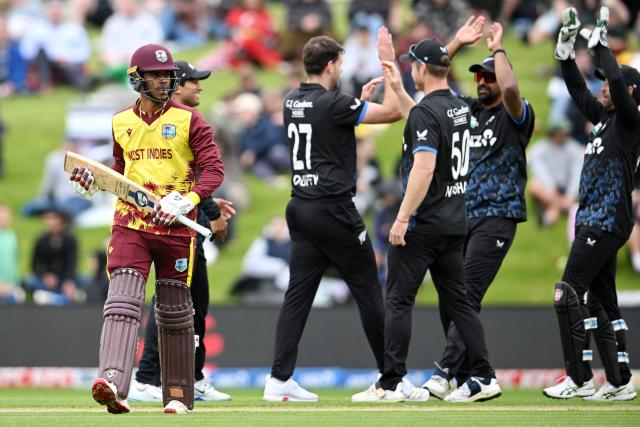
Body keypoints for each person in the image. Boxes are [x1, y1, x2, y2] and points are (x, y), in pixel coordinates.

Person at [69, 43, 224, 414]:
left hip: (175, 228)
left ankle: (177, 395)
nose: (164, 80)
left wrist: (188, 199)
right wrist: (94, 181)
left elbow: (214, 170)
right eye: (155, 75)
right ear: (137, 80)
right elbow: (120, 174)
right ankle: (112, 380)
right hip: (131, 223)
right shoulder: (120, 120)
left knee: (173, 311)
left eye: (167, 74)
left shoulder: (191, 120)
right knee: (122, 298)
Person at [262, 31, 415, 402]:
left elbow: (326, 127)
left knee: (297, 296)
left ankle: (279, 379)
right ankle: (391, 380)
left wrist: (354, 106)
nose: (341, 68)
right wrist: (389, 67)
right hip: (333, 208)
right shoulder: (334, 103)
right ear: (330, 65)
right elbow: (394, 113)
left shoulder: (291, 100)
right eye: (341, 63)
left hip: (300, 207)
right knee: (367, 289)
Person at [353, 31, 501, 403]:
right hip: (454, 222)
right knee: (459, 303)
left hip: (423, 225)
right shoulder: (457, 107)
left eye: (412, 67)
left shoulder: (426, 111)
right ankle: (484, 375)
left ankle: (391, 382)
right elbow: (416, 113)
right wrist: (391, 78)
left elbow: (423, 166)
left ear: (421, 68)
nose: (411, 73)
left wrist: (402, 218)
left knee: (400, 300)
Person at [423, 18, 536, 400]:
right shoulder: (465, 112)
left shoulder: (515, 115)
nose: (483, 81)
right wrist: (454, 42)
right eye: (478, 77)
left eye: (487, 76)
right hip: (462, 217)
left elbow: (510, 88)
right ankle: (475, 375)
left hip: (498, 216)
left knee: (467, 294)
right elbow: (432, 82)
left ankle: (443, 372)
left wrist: (497, 51)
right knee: (449, 297)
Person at [543, 6, 638, 401]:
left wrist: (603, 52)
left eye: (609, 86)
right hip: (595, 220)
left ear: (630, 93)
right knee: (602, 301)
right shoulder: (605, 119)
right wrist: (565, 56)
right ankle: (620, 381)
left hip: (606, 220)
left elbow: (614, 78)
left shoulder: (633, 121)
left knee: (567, 291)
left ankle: (578, 377)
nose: (601, 89)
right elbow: (578, 89)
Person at [129, 60, 234, 403]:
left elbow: (193, 179)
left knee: (186, 301)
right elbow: (174, 182)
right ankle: (152, 376)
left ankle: (184, 376)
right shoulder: (169, 124)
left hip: (188, 222)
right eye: (194, 82)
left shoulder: (187, 123)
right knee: (176, 300)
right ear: (178, 86)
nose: (200, 87)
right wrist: (214, 213)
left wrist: (213, 206)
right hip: (175, 229)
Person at [528, 119, 584, 227]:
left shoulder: (574, 149)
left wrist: (571, 194)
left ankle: (551, 213)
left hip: (567, 188)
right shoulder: (540, 148)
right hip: (549, 189)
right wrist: (550, 187)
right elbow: (539, 169)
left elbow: (577, 173)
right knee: (533, 186)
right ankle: (559, 208)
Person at [24, 209, 80, 306]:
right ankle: (58, 298)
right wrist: (45, 276)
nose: (49, 222)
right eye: (47, 219)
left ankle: (51, 297)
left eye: (53, 219)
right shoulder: (40, 240)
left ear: (61, 221)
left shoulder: (70, 239)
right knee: (29, 281)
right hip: (46, 279)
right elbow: (35, 265)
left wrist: (69, 281)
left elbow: (72, 263)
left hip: (64, 277)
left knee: (84, 281)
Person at [0, 204, 24, 304]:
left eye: (7, 215)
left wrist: (14, 283)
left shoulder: (12, 236)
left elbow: (14, 262)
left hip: (10, 285)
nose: (5, 217)